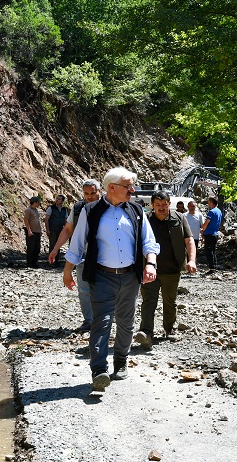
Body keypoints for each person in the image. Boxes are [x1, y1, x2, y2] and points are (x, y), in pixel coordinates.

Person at [62, 167, 159, 392]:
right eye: (128, 186)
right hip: (102, 276)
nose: (133, 190)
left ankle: (121, 361)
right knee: (102, 322)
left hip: (130, 277)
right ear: (112, 187)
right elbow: (77, 243)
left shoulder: (136, 210)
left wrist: (151, 263)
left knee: (126, 322)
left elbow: (148, 241)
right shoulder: (91, 210)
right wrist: (67, 271)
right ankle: (99, 370)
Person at [135, 191, 196, 351]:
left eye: (164, 205)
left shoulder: (179, 218)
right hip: (149, 270)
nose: (161, 208)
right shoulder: (146, 220)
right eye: (157, 205)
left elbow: (189, 240)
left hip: (172, 269)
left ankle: (170, 329)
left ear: (169, 204)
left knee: (170, 302)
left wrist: (191, 260)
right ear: (152, 206)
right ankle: (146, 332)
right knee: (149, 301)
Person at [48, 179, 101, 332]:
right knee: (84, 290)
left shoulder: (108, 206)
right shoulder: (78, 208)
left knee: (104, 289)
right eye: (86, 194)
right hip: (83, 254)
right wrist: (56, 248)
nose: (89, 197)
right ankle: (89, 321)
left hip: (104, 256)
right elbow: (68, 229)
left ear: (99, 191)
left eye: (93, 193)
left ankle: (103, 320)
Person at [44, 194, 68, 265]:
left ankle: (56, 261)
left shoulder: (64, 210)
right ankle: (51, 262)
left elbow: (66, 220)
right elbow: (46, 219)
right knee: (52, 245)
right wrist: (47, 229)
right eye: (56, 198)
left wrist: (66, 230)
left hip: (60, 230)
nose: (57, 200)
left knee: (58, 245)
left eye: (59, 199)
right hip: (52, 230)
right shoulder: (51, 208)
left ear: (62, 201)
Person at [201, 197, 223, 272]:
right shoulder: (219, 211)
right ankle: (214, 266)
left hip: (209, 234)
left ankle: (212, 268)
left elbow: (207, 222)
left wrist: (202, 229)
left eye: (208, 202)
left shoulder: (211, 212)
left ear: (211, 202)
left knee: (209, 251)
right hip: (215, 233)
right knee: (213, 250)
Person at [23, 197, 42, 268]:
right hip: (31, 232)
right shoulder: (28, 210)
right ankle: (29, 264)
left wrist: (40, 230)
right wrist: (29, 231)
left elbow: (37, 221)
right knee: (31, 248)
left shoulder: (36, 210)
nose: (39, 204)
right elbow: (26, 220)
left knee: (37, 248)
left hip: (37, 232)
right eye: (38, 202)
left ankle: (35, 263)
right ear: (35, 202)